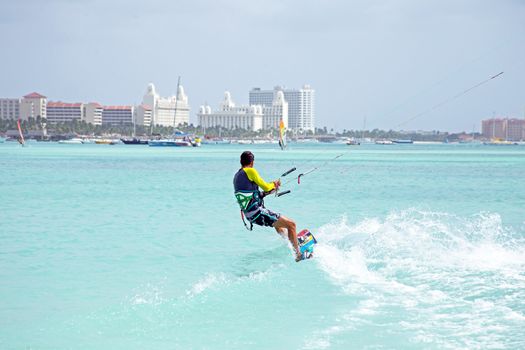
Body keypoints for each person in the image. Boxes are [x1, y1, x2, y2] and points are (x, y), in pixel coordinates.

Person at [233, 151, 303, 261]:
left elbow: (253, 195)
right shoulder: (250, 170)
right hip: (257, 212)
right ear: (252, 162)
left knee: (278, 224)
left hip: (251, 216)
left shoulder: (237, 176)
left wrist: (270, 191)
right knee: (292, 225)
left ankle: (290, 241)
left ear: (241, 162)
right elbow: (265, 186)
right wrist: (273, 184)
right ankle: (298, 254)